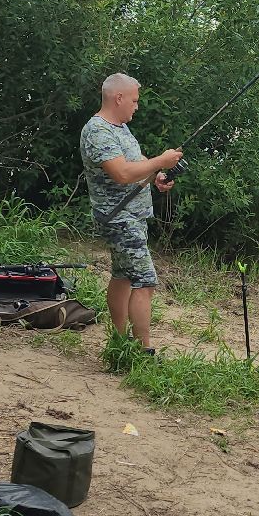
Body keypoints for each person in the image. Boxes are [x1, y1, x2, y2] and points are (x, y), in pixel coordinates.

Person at [80, 73, 182, 357]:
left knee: (123, 275)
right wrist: (160, 160)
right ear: (119, 98)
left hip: (132, 217)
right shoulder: (98, 131)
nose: (137, 106)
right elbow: (122, 173)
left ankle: (119, 342)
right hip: (119, 220)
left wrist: (155, 175)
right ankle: (142, 353)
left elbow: (134, 164)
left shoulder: (120, 128)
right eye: (134, 101)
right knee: (145, 281)